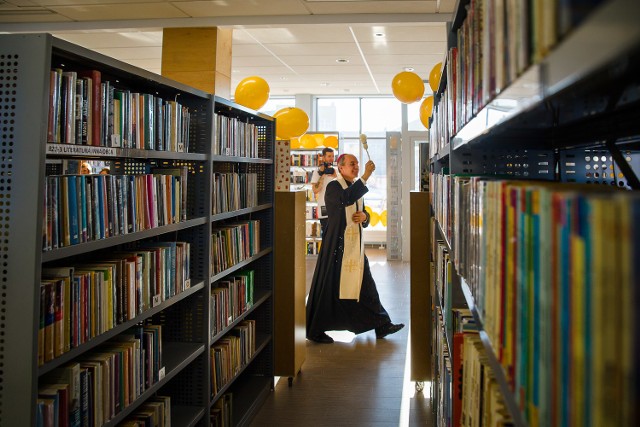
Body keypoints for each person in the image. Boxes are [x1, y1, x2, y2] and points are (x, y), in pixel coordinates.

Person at [306, 153, 404, 343]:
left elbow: (362, 212)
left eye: (357, 164)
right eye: (352, 164)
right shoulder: (333, 186)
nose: (356, 167)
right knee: (329, 289)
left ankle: (382, 324)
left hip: (355, 248)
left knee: (366, 286)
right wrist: (365, 176)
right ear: (340, 168)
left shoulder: (354, 187)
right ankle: (314, 330)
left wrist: (365, 218)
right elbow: (345, 199)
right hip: (337, 248)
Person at [309, 147, 337, 237]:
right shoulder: (317, 172)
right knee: (326, 235)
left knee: (335, 234)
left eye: (333, 156)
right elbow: (315, 190)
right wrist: (323, 174)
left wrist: (335, 175)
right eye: (329, 156)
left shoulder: (335, 171)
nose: (331, 158)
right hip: (323, 206)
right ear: (323, 157)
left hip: (336, 206)